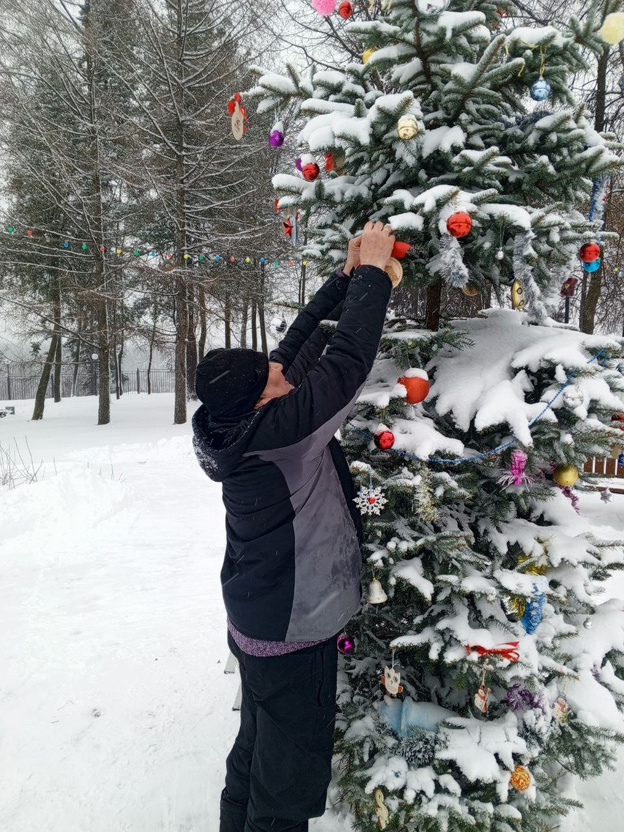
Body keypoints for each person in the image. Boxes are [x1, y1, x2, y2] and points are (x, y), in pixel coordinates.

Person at [192, 222, 398, 832]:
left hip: (254, 618)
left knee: (255, 748)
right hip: (291, 629)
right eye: (274, 381)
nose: (285, 375)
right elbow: (346, 362)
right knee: (286, 786)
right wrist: (372, 275)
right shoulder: (282, 436)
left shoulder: (233, 425)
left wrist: (343, 276)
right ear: (261, 402)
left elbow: (298, 347)